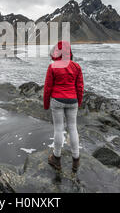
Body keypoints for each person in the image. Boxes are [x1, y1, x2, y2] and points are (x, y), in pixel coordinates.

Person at [43, 41, 84, 172]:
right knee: (73, 128)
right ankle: (76, 159)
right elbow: (80, 87)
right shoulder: (76, 66)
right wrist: (79, 101)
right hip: (73, 101)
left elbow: (48, 87)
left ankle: (56, 157)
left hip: (57, 100)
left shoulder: (53, 67)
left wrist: (46, 103)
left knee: (58, 129)